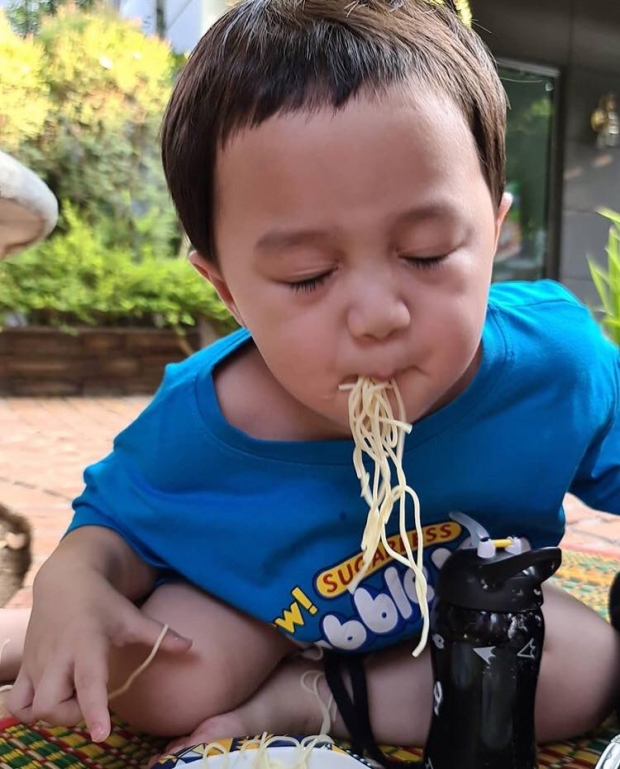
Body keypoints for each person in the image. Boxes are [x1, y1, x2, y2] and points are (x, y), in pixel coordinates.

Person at [2, 0, 619, 761]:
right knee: (163, 683)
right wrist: (74, 578)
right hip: (251, 612)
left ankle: (301, 697)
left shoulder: (555, 364)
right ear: (226, 289)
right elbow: (111, 530)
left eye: (427, 253)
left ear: (493, 232)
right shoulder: (209, 417)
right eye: (308, 274)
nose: (377, 315)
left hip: (457, 618)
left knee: (584, 666)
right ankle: (25, 637)